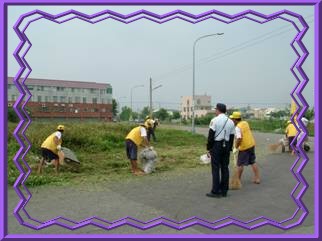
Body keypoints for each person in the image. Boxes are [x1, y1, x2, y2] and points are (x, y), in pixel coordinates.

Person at [206, 103, 235, 198]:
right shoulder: (231, 122)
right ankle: (224, 190)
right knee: (225, 168)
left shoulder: (214, 120)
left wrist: (209, 148)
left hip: (217, 145)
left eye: (215, 109)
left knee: (215, 168)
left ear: (218, 110)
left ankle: (215, 191)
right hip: (226, 145)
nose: (215, 111)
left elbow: (211, 136)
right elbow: (231, 137)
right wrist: (229, 148)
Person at [229, 112, 260, 184]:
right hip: (251, 144)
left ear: (235, 119)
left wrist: (236, 147)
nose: (232, 121)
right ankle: (257, 178)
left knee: (240, 164)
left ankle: (238, 180)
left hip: (244, 147)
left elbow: (239, 139)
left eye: (232, 119)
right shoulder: (245, 123)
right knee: (253, 161)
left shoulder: (237, 127)